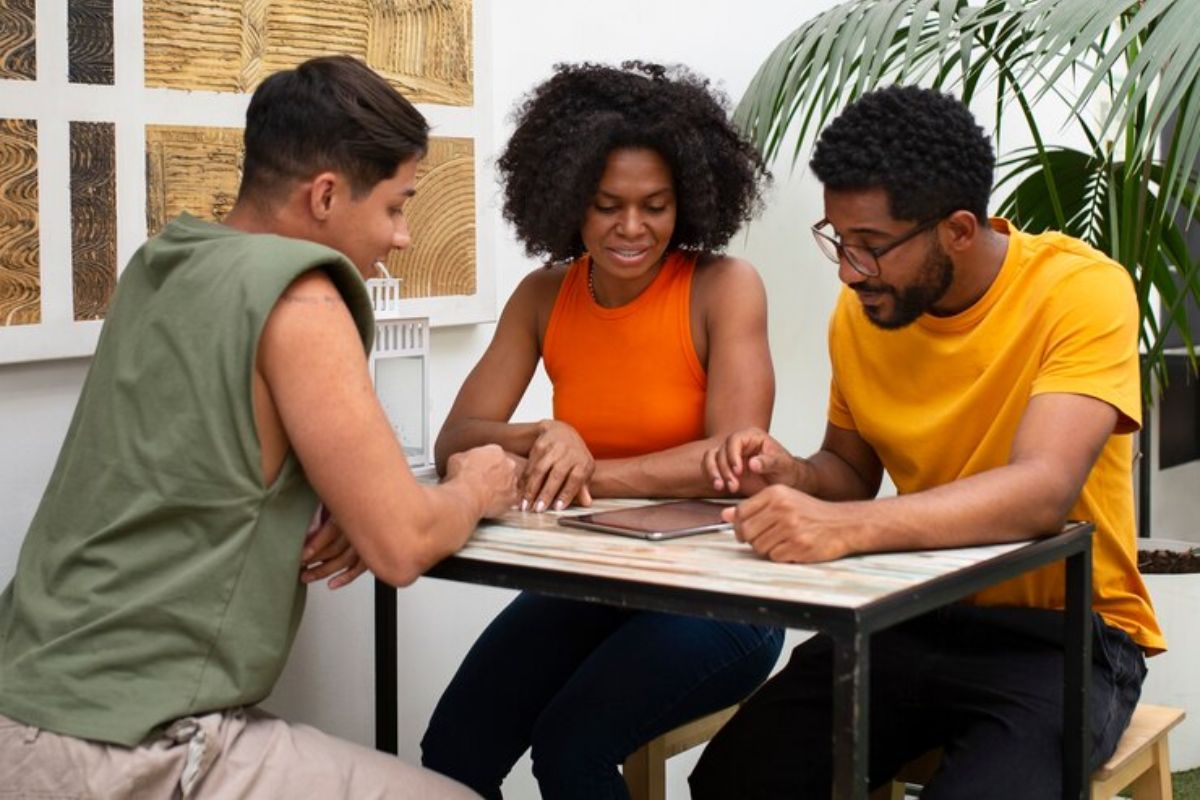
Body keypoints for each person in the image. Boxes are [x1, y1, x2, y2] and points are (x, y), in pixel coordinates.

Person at [0, 55, 517, 799]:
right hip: (123, 745)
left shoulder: (163, 265)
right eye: (396, 206)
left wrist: (335, 492)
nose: (401, 237)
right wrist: (478, 485)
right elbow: (401, 546)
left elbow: (202, 450)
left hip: (26, 705)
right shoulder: (304, 299)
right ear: (327, 195)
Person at [687, 85, 1166, 799]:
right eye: (839, 242)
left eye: (872, 247)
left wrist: (839, 527)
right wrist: (792, 474)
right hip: (911, 617)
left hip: (1065, 637)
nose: (850, 272)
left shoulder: (1080, 291)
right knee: (737, 781)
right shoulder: (864, 315)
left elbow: (1042, 491)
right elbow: (848, 469)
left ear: (960, 230)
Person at [420, 61, 784, 799]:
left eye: (655, 205)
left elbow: (735, 465)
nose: (631, 228)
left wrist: (584, 475)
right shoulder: (544, 295)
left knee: (571, 746)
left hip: (723, 596)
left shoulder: (722, 287)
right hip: (594, 584)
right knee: (454, 749)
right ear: (566, 199)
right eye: (607, 204)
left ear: (689, 199)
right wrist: (547, 434)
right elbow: (456, 439)